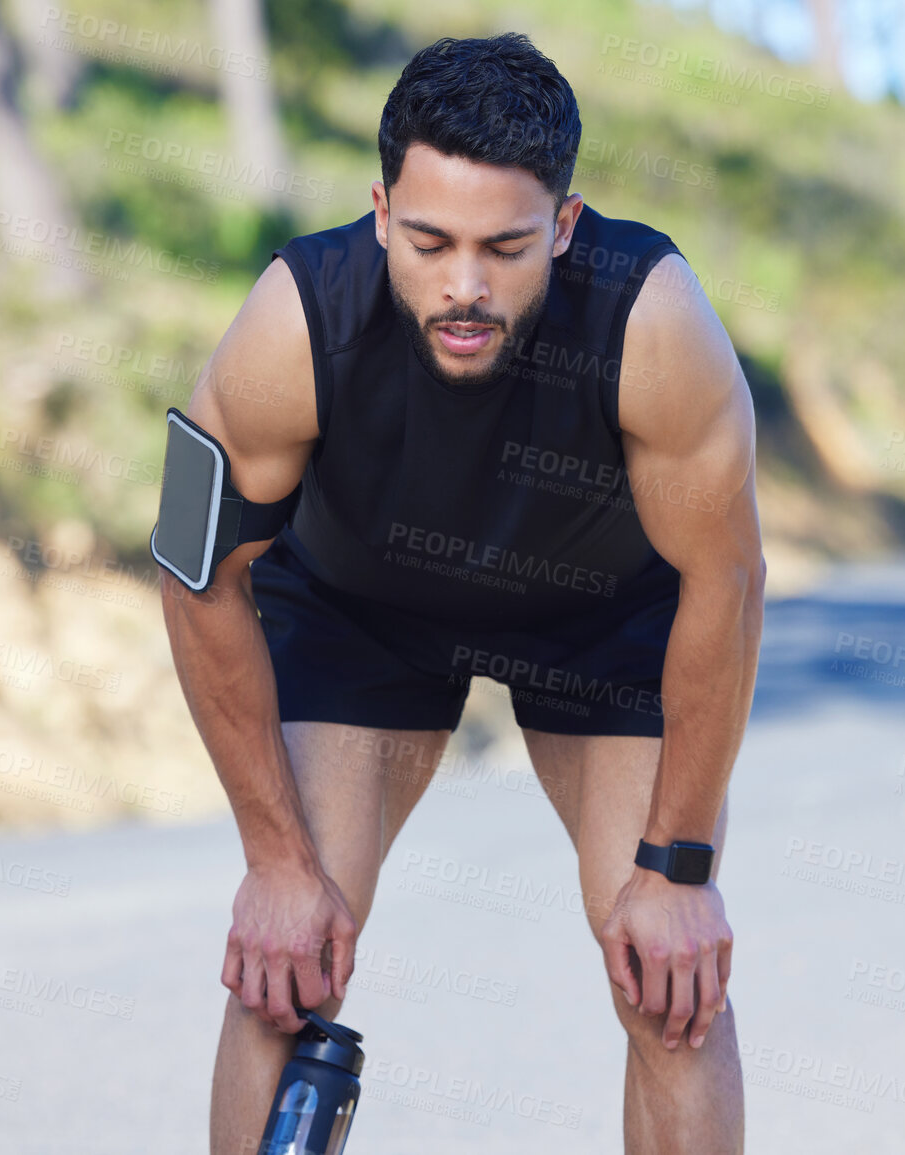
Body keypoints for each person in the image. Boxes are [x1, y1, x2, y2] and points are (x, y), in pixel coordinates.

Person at [160, 31, 765, 1155]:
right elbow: (196, 578)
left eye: (507, 246)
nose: (465, 286)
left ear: (567, 227)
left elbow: (723, 584)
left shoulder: (653, 320)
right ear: (380, 209)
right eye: (430, 241)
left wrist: (678, 870)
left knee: (668, 979)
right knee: (284, 970)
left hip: (600, 618)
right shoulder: (297, 319)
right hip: (360, 613)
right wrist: (277, 865)